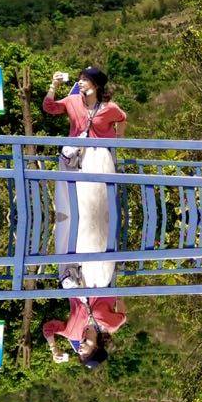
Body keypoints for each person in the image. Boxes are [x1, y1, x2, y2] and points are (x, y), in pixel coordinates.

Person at [45, 66, 127, 289]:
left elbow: (122, 118)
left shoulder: (109, 108)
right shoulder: (72, 102)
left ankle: (90, 249)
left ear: (97, 85)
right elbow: (49, 108)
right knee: (72, 199)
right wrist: (54, 86)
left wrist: (117, 142)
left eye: (85, 80)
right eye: (80, 79)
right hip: (75, 157)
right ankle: (71, 260)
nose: (80, 83)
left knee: (97, 204)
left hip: (100, 158)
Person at [44, 294, 126, 371]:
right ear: (96, 348)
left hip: (74, 285)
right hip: (102, 283)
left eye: (80, 355)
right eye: (85, 355)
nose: (79, 352)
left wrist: (54, 349)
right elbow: (122, 316)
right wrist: (116, 294)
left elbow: (48, 327)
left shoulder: (72, 334)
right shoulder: (111, 326)